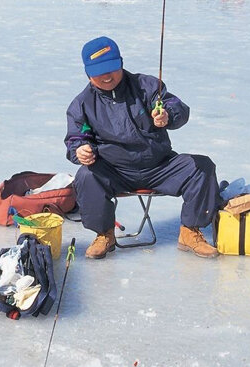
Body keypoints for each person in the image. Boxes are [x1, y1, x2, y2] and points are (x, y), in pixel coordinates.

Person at [64, 36, 220, 259]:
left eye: (112, 69)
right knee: (86, 175)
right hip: (115, 171)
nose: (107, 77)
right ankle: (104, 234)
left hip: (160, 166)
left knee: (201, 166)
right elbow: (76, 138)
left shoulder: (146, 86)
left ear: (121, 63)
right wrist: (81, 150)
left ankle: (190, 231)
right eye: (100, 72)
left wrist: (167, 115)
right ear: (88, 73)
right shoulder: (83, 104)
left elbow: (176, 106)